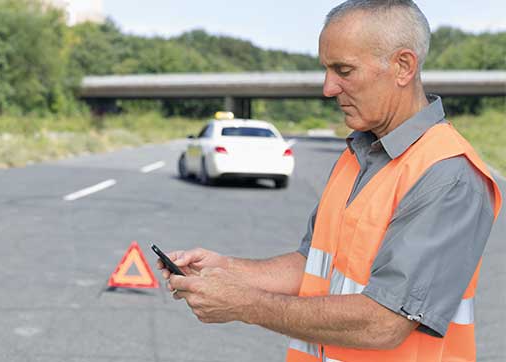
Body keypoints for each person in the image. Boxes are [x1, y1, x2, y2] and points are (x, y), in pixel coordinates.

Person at [157, 1, 502, 361]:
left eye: (344, 70)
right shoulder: (359, 154)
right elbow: (314, 265)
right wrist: (227, 270)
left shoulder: (447, 173)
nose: (328, 87)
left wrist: (245, 304)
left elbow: (384, 322)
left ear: (403, 66)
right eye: (327, 69)